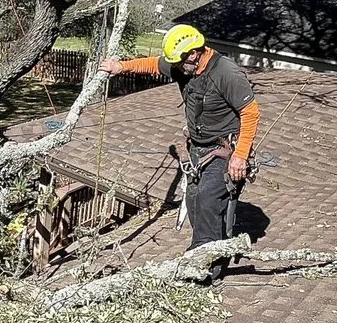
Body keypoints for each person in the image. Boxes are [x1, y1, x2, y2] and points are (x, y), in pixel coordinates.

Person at [100, 23, 260, 283]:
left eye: (179, 62)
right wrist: (121, 67)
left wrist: (240, 155)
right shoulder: (184, 66)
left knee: (209, 199)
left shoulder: (226, 73)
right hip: (199, 149)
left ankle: (203, 266)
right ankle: (208, 250)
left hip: (225, 150)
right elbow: (154, 64)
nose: (176, 67)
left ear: (195, 54)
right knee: (195, 200)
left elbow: (251, 113)